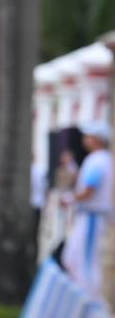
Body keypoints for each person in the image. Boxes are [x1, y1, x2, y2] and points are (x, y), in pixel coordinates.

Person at [61, 121, 113, 300]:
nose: (85, 139)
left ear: (98, 139)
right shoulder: (100, 159)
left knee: (85, 263)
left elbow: (90, 189)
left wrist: (70, 199)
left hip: (92, 217)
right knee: (74, 258)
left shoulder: (98, 160)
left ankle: (90, 300)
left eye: (89, 136)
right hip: (90, 216)